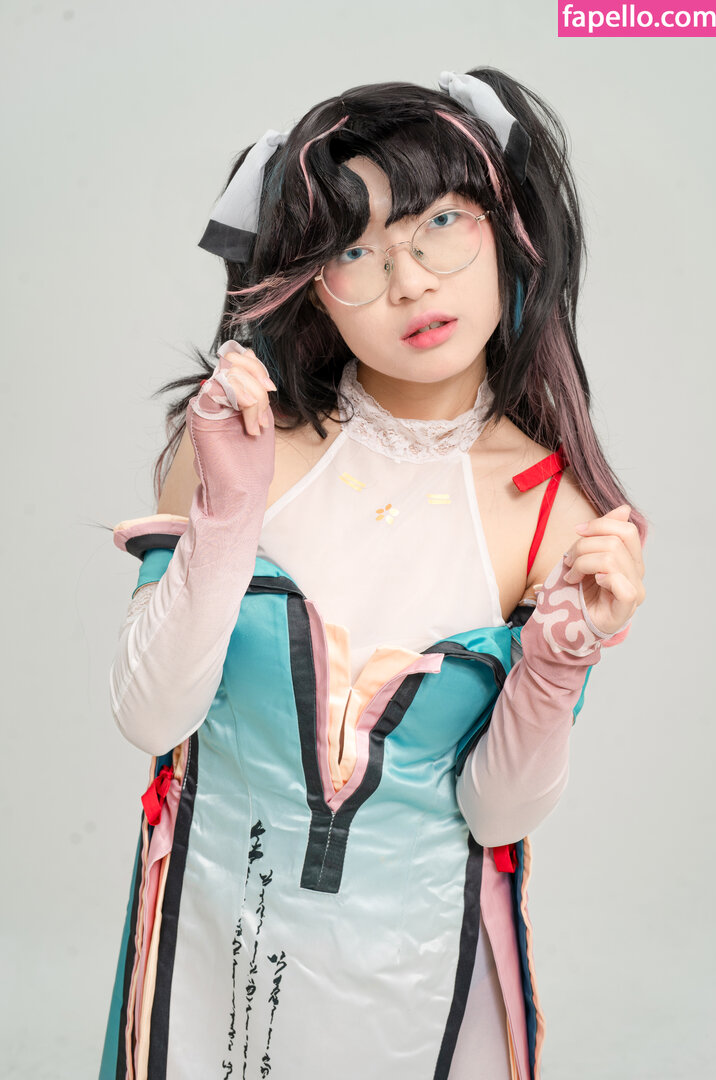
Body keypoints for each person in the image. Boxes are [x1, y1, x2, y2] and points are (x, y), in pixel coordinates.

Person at [99, 67, 647, 1080]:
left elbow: (499, 816)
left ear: (508, 230)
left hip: (424, 984)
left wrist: (562, 656)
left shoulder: (554, 511)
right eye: (356, 249)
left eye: (441, 223)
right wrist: (226, 514)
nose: (410, 282)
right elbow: (150, 717)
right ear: (310, 283)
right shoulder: (240, 445)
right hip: (214, 955)